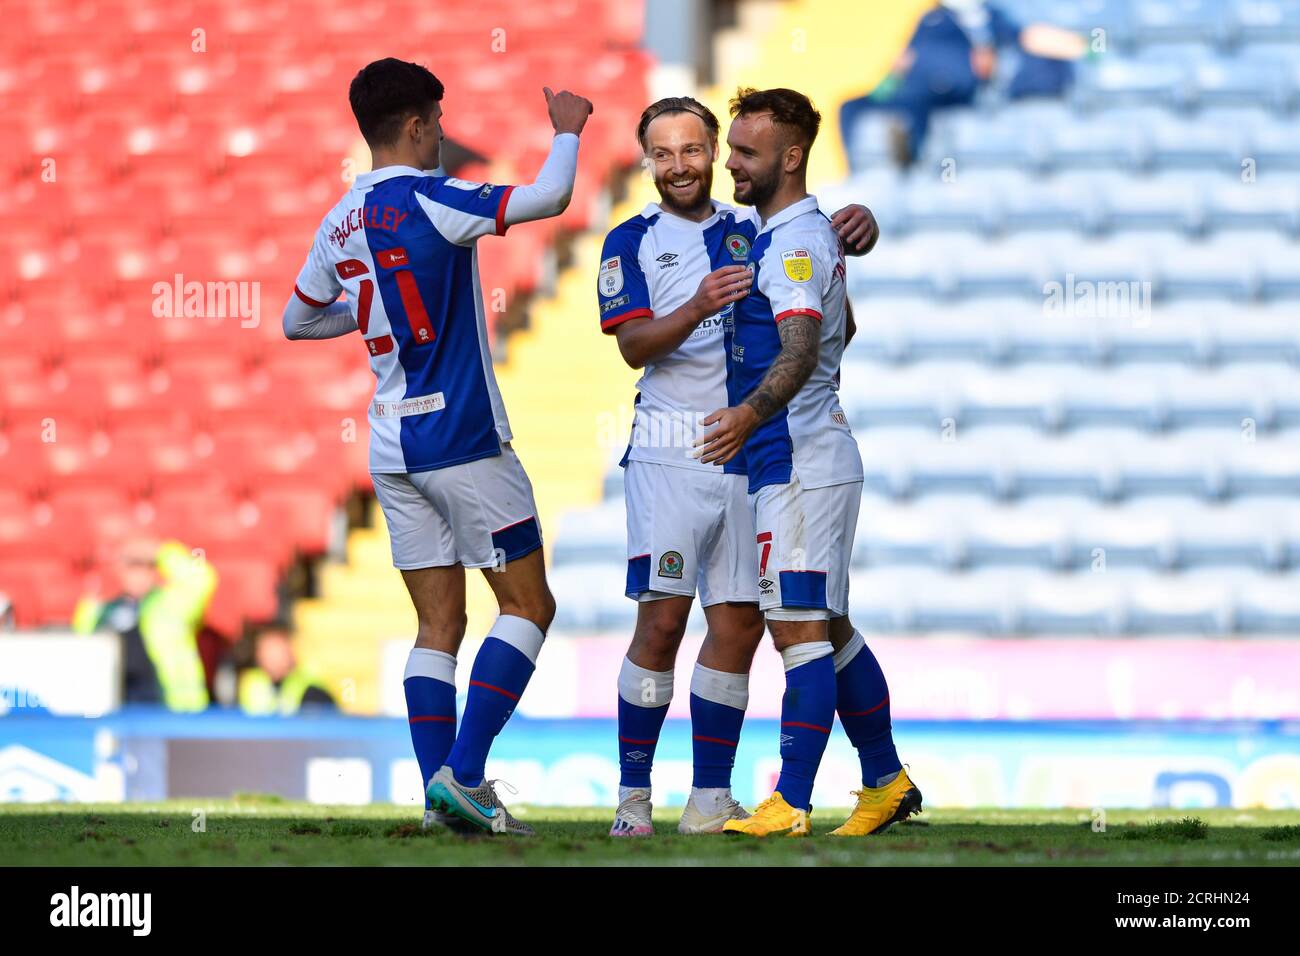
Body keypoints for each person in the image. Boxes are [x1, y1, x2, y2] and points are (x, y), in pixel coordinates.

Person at [283, 57, 592, 836]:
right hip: (462, 437)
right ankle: (464, 773)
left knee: (438, 627)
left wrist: (377, 311)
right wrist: (567, 131)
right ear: (417, 125)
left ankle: (437, 803)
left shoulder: (339, 220)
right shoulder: (435, 195)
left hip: (390, 441)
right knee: (528, 605)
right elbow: (551, 195)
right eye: (441, 124)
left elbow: (297, 320)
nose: (445, 135)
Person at [597, 96, 879, 836]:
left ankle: (710, 798)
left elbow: (824, 308)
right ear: (647, 162)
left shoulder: (752, 231)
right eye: (663, 153)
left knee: (739, 628)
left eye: (694, 149)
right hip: (669, 450)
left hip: (749, 458)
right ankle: (632, 798)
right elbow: (631, 347)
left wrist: (856, 232)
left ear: (716, 152)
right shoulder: (630, 240)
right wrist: (693, 308)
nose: (681, 165)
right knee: (659, 624)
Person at [697, 87, 920, 837]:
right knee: (828, 624)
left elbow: (800, 347)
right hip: (802, 456)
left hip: (796, 461)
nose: (733, 164)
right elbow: (838, 328)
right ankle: (885, 780)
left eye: (747, 153)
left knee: (797, 630)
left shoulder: (793, 242)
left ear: (791, 158)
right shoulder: (791, 235)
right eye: (732, 149)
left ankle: (790, 799)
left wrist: (750, 413)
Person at [839, 0, 1089, 168]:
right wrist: (885, 87)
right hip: (910, 86)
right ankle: (854, 167)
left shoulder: (990, 18)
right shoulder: (931, 18)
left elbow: (1028, 37)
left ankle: (909, 151)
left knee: (920, 101)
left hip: (947, 86)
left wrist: (1085, 47)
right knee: (850, 105)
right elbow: (905, 58)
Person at [72, 538, 213, 711]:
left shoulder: (172, 603)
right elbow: (81, 648)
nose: (140, 573)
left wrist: (161, 552)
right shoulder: (102, 611)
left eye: (148, 566)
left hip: (172, 710)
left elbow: (201, 577)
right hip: (116, 710)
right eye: (132, 565)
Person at [238, 624, 336, 715]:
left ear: (289, 652)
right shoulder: (249, 682)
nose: (271, 657)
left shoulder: (311, 689)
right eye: (266, 651)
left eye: (276, 651)